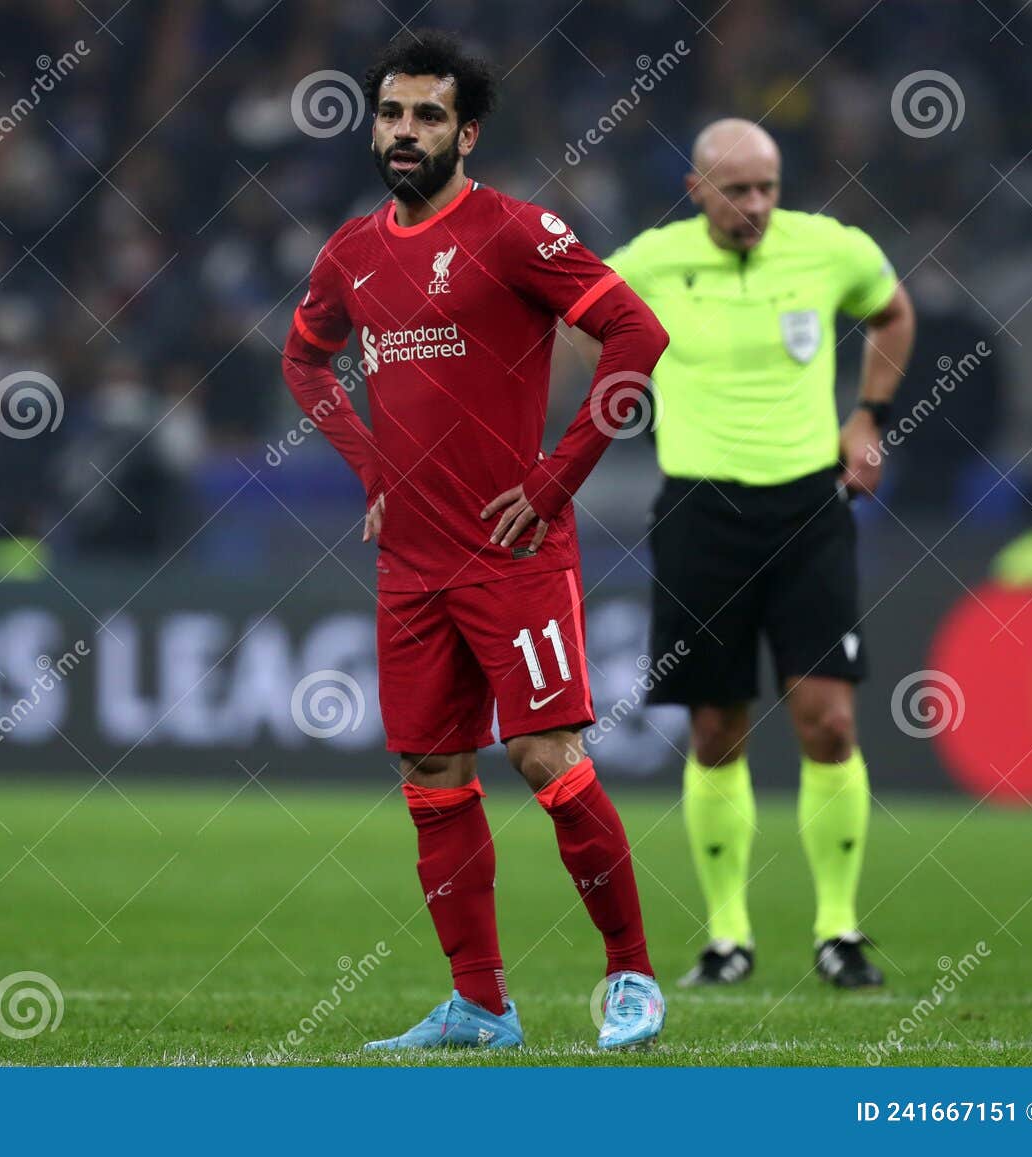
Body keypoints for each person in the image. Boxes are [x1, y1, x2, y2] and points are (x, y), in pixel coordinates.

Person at [279, 30, 671, 1049]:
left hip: (512, 550)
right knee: (432, 773)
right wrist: (371, 467)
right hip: (410, 561)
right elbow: (304, 360)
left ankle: (631, 975)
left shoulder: (513, 232)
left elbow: (637, 334)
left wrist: (553, 477)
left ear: (467, 131)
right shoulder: (351, 254)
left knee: (546, 757)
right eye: (392, 114)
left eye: (427, 117)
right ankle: (481, 1003)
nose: (404, 133)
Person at [594, 119, 914, 988]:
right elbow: (569, 312)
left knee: (831, 719)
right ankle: (727, 936)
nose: (757, 206)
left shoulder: (827, 248)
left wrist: (868, 417)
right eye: (737, 190)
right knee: (714, 727)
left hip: (808, 507)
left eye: (768, 187)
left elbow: (891, 310)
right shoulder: (652, 261)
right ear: (696, 190)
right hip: (700, 511)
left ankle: (838, 929)